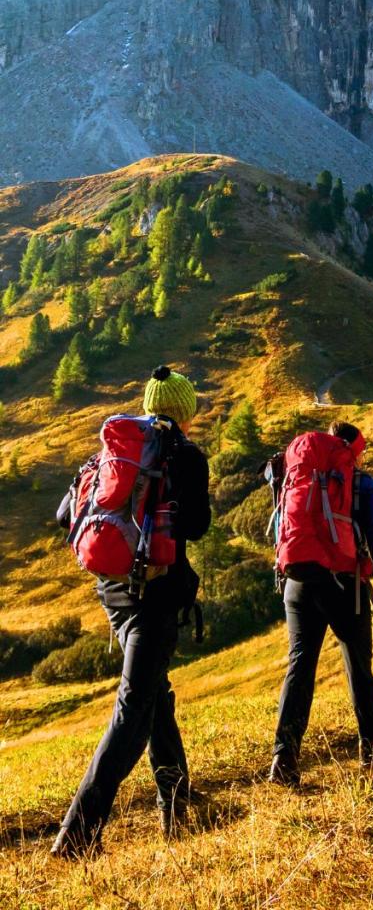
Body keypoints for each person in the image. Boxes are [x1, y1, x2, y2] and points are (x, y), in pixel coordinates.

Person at [51, 365, 211, 858]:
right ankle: (79, 832)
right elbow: (198, 526)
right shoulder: (185, 454)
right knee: (133, 708)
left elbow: (64, 516)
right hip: (155, 596)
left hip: (113, 591)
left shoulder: (117, 449)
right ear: (184, 410)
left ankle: (177, 797)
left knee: (153, 692)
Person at [269, 420, 373, 786]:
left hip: (296, 582)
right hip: (344, 583)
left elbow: (282, 526)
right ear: (354, 451)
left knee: (300, 666)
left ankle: (284, 757)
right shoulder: (362, 483)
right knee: (358, 662)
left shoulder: (296, 475)